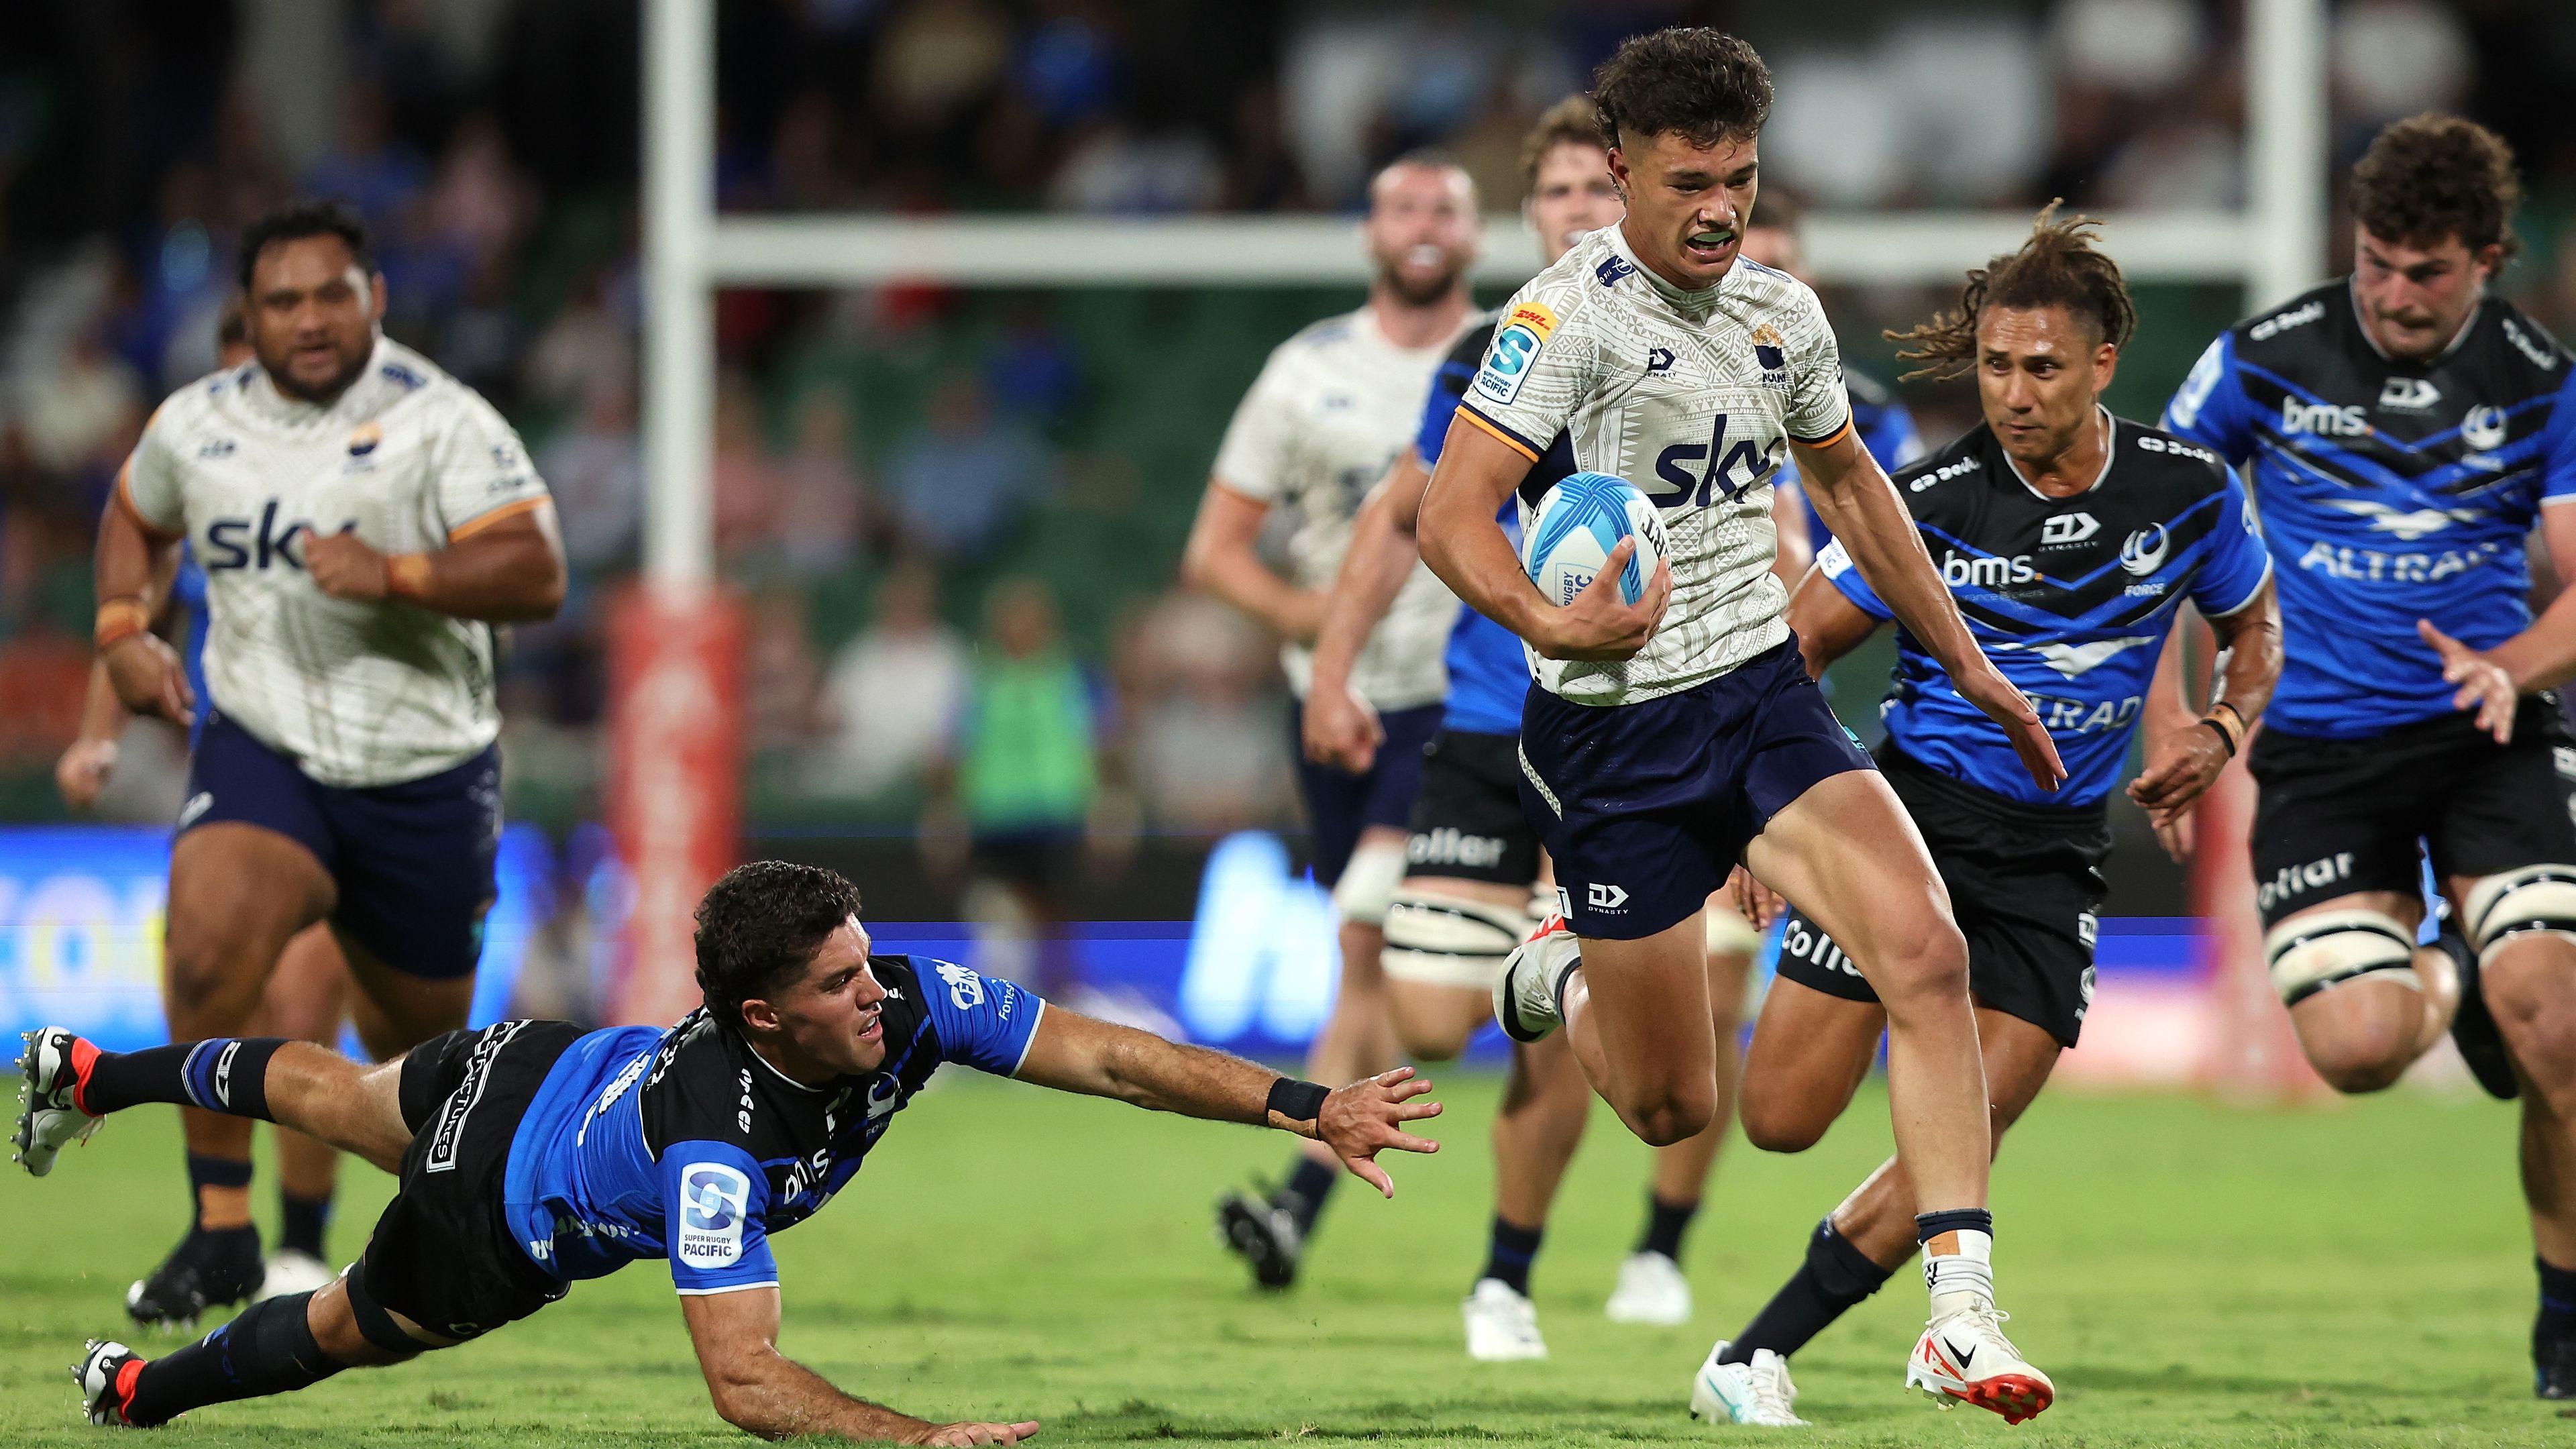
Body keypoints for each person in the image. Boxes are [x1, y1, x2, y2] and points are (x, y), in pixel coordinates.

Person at [1415, 28, 2066, 1420]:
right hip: (1613, 737)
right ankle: (1569, 973)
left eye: (1742, 178)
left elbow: (1858, 499)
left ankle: (1960, 1310)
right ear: (1626, 173)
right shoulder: (1563, 324)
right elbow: (1445, 513)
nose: (1718, 207)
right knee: (1670, 1111)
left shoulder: (1783, 311)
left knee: (1927, 953)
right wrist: (1550, 621)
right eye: (1691, 179)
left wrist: (1974, 664)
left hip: (1761, 696)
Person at [18, 861, 1443, 1440]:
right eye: (839, 986)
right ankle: (139, 1394)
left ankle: (89, 1073)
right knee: (345, 1328)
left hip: (533, 1060)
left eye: (868, 963)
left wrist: (1301, 1105)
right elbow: (745, 1384)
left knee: (329, 1092)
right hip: (491, 1217)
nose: (875, 992)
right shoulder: (721, 1148)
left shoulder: (913, 1002)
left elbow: (1114, 1055)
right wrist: (916, 1438)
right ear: (763, 1016)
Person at [1694, 209, 2283, 1425]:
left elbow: (2256, 633)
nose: (2013, 393)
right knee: (1781, 1117)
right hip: (1909, 830)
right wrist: (1763, 819)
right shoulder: (1930, 502)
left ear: (2104, 363)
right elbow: (1789, 653)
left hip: (2053, 857)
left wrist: (2221, 730)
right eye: (1996, 367)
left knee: (1954, 1144)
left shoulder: (2188, 494)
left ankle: (1774, 1351)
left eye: (2042, 368)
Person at [1303, 96, 1766, 1358]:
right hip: (1483, 721)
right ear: (1540, 212)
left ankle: (1540, 1274)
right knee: (1437, 1020)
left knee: (1666, 1019)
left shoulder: (1719, 352)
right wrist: (1333, 670)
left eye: (1590, 191)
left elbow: (1770, 547)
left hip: (1641, 735)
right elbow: (1409, 517)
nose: (1576, 212)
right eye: (1557, 195)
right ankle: (1555, 968)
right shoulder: (1503, 353)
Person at [85, 200, 566, 1329]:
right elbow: (132, 512)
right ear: (247, 315)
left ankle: (459, 1225)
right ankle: (220, 1231)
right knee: (206, 945)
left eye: (330, 295)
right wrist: (119, 630)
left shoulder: (442, 421)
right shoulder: (194, 423)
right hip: (266, 747)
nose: (309, 319)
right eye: (283, 300)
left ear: (376, 299)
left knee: (419, 1051)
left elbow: (537, 573)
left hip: (425, 776)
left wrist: (397, 575)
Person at [2159, 113, 2576, 1399]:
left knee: (2559, 1023)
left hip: (2489, 739)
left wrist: (2515, 665)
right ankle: (2454, 973)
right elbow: (2166, 527)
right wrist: (2185, 712)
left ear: (2490, 259)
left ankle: (2564, 1317)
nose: (2395, 292)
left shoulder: (2541, 381)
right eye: (2377, 261)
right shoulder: (2263, 362)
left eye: (2427, 270)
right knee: (2355, 1051)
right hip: (2324, 752)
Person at [1182, 152, 1481, 1287]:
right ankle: (1319, 1199)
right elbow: (1212, 554)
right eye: (1403, 206)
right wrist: (1318, 621)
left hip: (1460, 698)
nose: (1422, 226)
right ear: (1370, 231)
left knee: (1367, 937)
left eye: (1444, 210)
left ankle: (1302, 1194)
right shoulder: (1305, 373)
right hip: (1334, 701)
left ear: (1472, 233)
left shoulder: (1515, 349)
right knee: (1370, 970)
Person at [57, 299, 356, 1313]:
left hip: (357, 779)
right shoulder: (198, 498)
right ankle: (220, 1229)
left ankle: (306, 1248)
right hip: (240, 780)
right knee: (214, 989)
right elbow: (130, 619)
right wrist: (100, 735)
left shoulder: (363, 473)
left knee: (309, 998)